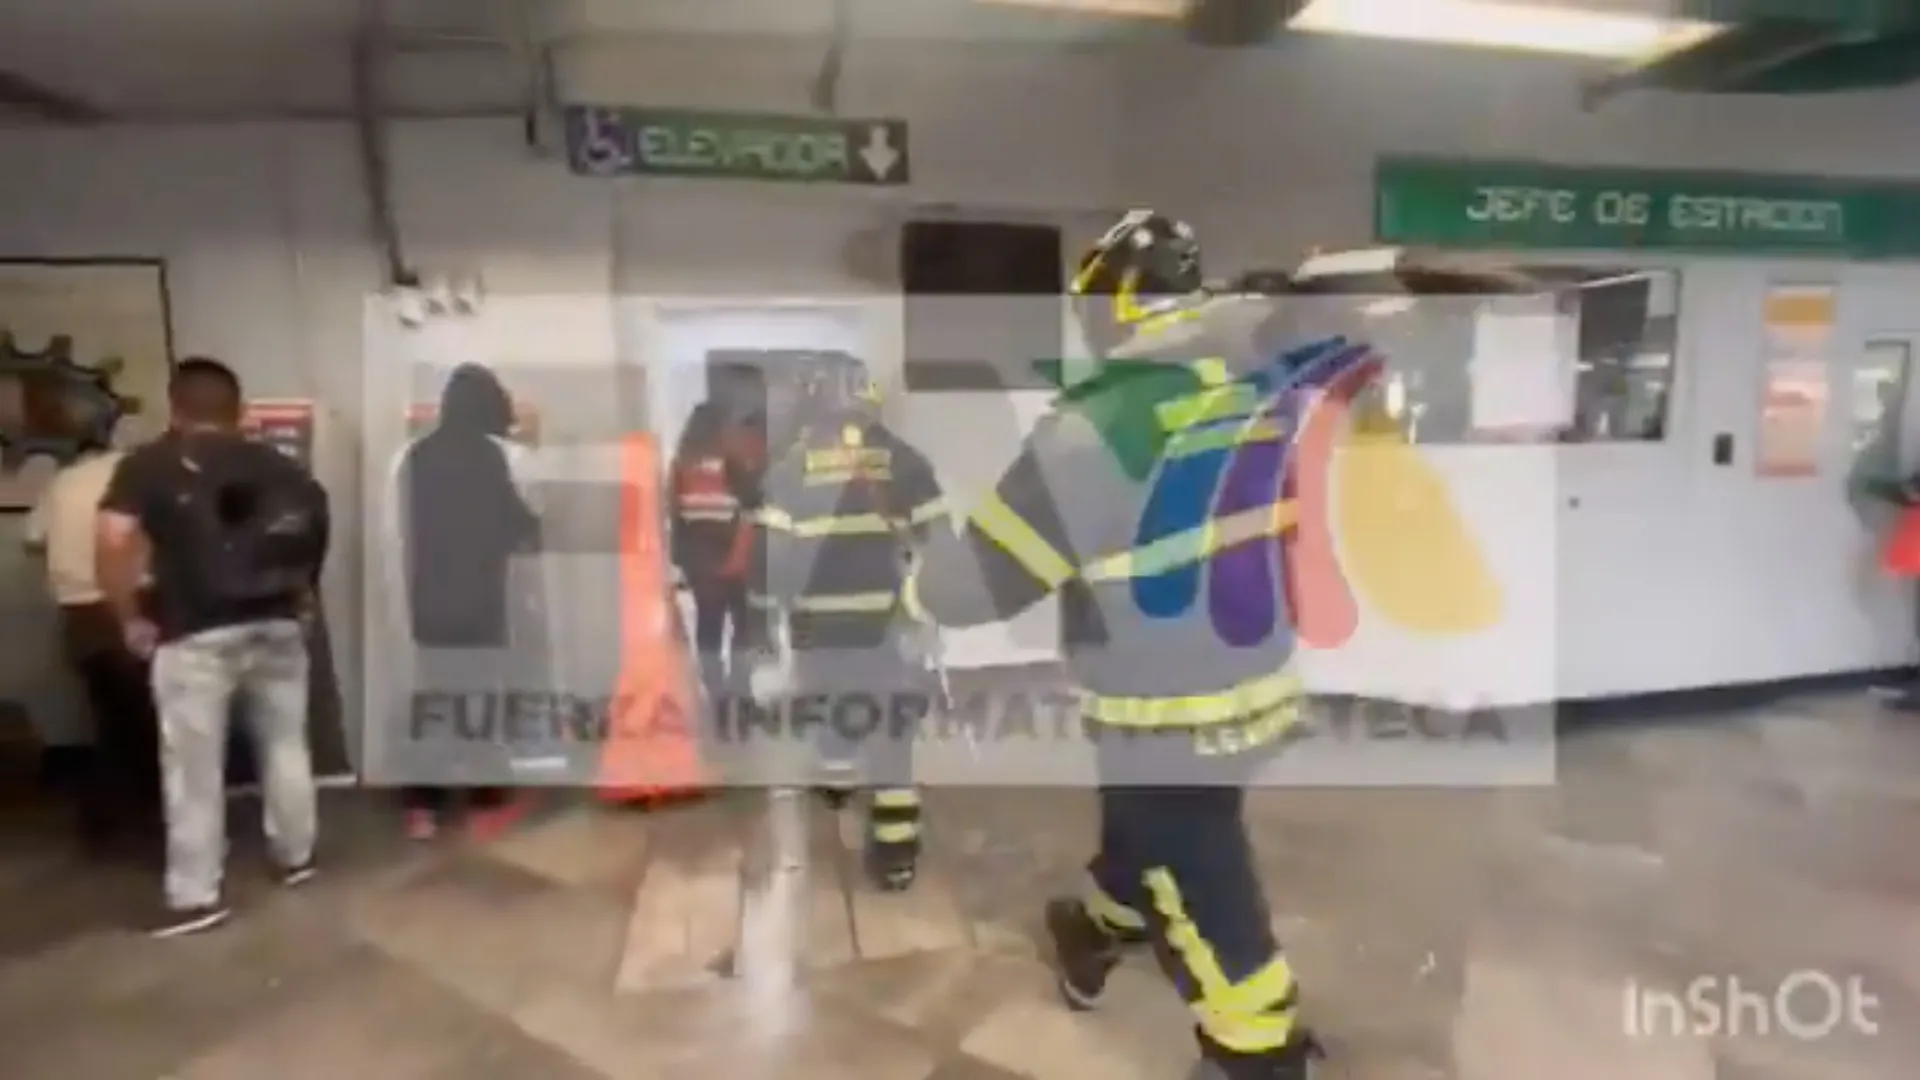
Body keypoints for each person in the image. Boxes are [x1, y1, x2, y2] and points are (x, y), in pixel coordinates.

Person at [901, 211, 1322, 1078]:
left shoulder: (1094, 425)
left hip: (1165, 705)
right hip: (1256, 676)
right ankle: (1096, 924)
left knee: (1201, 878)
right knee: (1152, 820)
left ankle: (1260, 1049)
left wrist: (916, 578)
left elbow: (979, 582)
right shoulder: (1258, 382)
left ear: (1111, 308)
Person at [96, 357, 329, 937]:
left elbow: (113, 542)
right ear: (240, 411)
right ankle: (296, 857)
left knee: (194, 768)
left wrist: (128, 617)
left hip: (194, 630)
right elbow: (309, 537)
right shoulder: (281, 467)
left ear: (175, 409)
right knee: (286, 746)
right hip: (277, 622)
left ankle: (197, 896)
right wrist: (301, 602)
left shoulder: (149, 465)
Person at [744, 351, 947, 890]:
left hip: (820, 630)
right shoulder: (904, 460)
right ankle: (897, 857)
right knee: (893, 741)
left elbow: (768, 564)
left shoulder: (789, 468)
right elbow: (940, 542)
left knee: (831, 707)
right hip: (889, 627)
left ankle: (835, 783)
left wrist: (765, 622)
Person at [396, 363, 539, 839]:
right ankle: (484, 796)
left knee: (435, 698)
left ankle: (424, 806)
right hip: (478, 598)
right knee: (479, 696)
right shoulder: (488, 457)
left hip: (428, 600)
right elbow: (514, 523)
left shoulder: (416, 456)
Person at [24, 430, 160, 856]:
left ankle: (104, 824)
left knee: (108, 718)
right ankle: (148, 823)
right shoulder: (143, 476)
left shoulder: (63, 481)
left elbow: (32, 539)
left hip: (79, 613)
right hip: (134, 604)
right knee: (151, 721)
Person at [669, 393, 761, 710]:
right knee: (743, 625)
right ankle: (740, 688)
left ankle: (717, 691)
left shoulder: (682, 466)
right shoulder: (731, 462)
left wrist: (679, 559)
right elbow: (753, 504)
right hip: (734, 555)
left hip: (700, 561)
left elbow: (675, 516)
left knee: (709, 627)